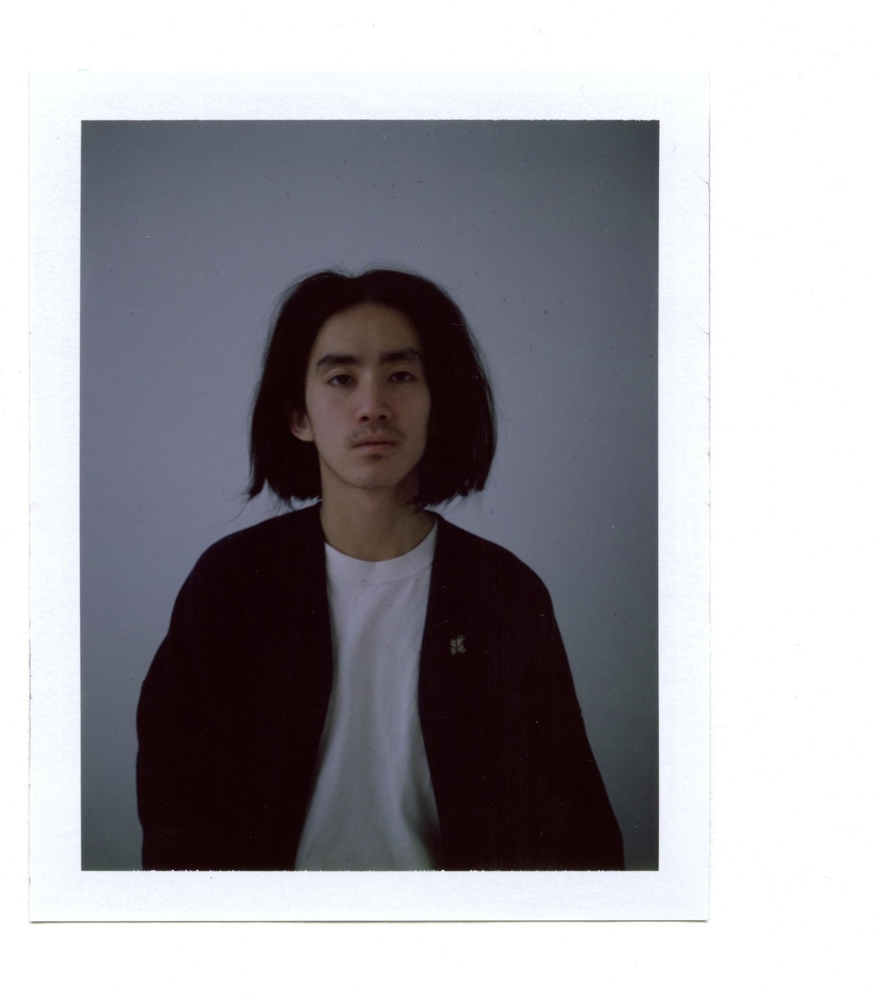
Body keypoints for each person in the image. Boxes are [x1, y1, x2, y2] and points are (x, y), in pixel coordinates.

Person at [136, 267, 624, 871]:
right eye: (341, 379)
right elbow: (173, 802)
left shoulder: (504, 592)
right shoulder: (232, 583)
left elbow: (573, 814)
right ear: (299, 416)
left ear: (437, 403)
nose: (373, 407)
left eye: (401, 376)